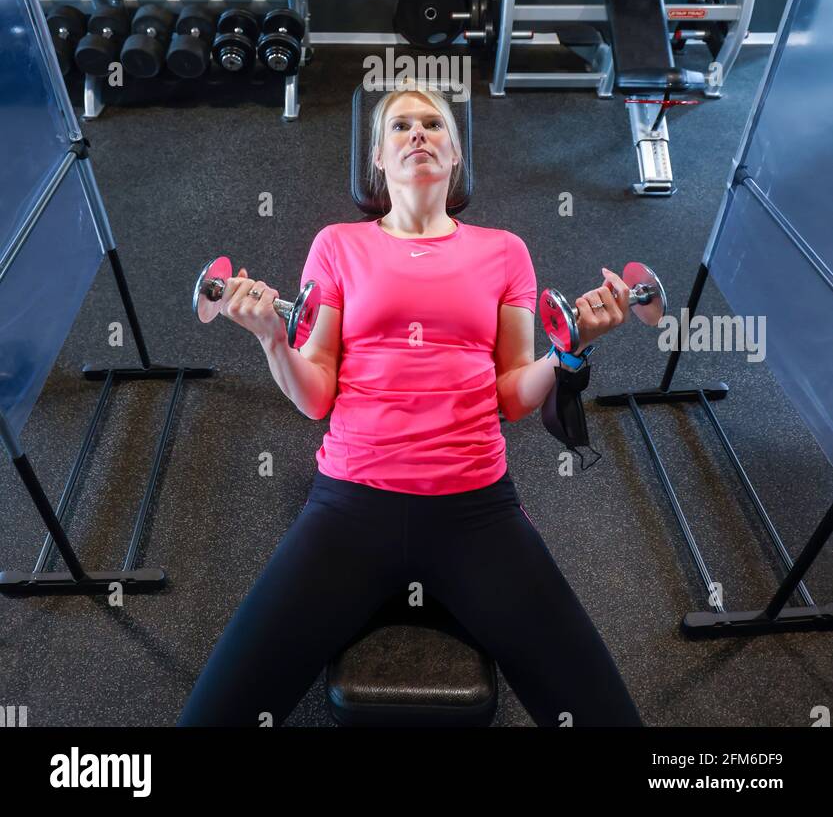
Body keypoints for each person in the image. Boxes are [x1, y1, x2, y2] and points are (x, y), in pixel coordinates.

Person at [178, 83, 642, 727]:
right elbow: (316, 397)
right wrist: (270, 338)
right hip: (350, 504)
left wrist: (570, 350)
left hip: (476, 509)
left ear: (455, 156)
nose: (418, 134)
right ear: (378, 158)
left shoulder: (505, 252)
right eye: (400, 127)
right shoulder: (339, 244)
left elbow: (510, 394)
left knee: (607, 719)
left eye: (433, 125)